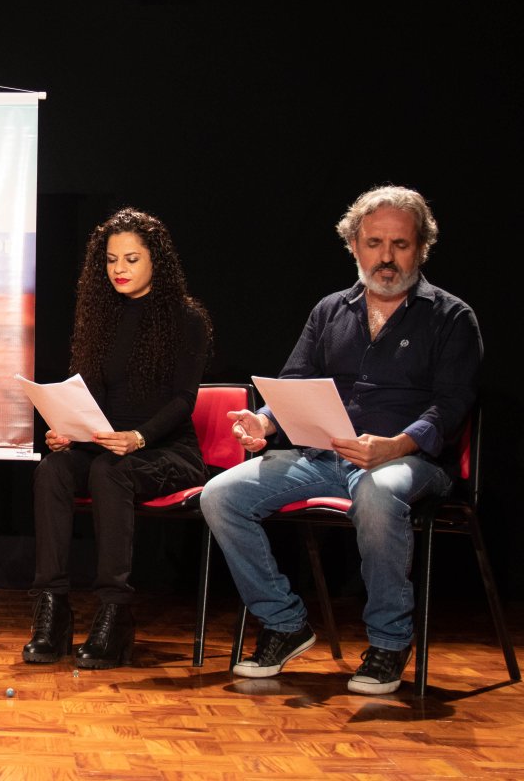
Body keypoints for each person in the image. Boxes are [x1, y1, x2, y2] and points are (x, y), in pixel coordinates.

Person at [200, 184, 480, 695]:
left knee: (377, 492)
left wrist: (395, 445)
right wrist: (264, 422)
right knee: (220, 495)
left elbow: (451, 406)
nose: (386, 257)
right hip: (322, 456)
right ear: (354, 245)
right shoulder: (330, 310)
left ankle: (390, 642)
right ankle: (285, 623)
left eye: (400, 244)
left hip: (407, 461)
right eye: (374, 243)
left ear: (421, 248)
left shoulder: (451, 317)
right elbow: (294, 384)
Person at [24, 208, 212, 669]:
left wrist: (139, 438)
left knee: (111, 472)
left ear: (155, 261)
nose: (119, 270)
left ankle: (115, 611)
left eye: (131, 259)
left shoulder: (186, 318)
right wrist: (67, 429)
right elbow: (89, 395)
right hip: (106, 447)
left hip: (167, 451)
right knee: (52, 469)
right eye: (111, 260)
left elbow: (184, 400)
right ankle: (52, 608)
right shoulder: (101, 316)